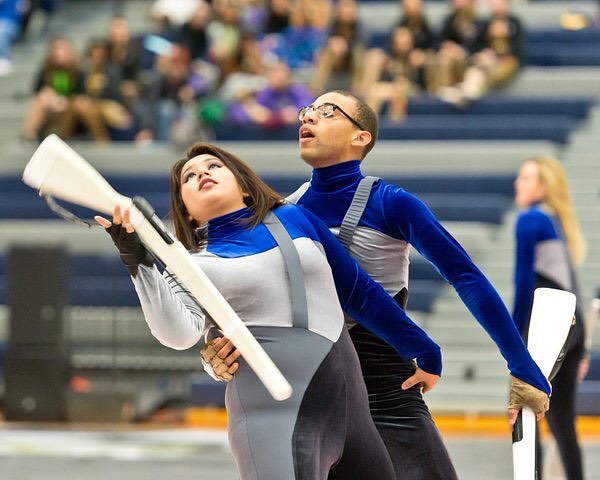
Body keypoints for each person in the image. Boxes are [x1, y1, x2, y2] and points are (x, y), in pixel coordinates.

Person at [206, 90, 552, 479]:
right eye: (307, 111)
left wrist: (521, 365)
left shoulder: (391, 203)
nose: (309, 118)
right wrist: (219, 352)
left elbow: (466, 276)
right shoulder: (287, 212)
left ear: (361, 137)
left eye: (327, 112)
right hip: (314, 391)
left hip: (387, 388)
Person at [95, 141, 445, 479]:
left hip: (354, 422)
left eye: (214, 166)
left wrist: (423, 348)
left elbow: (360, 292)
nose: (202, 173)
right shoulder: (191, 266)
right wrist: (137, 261)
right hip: (273, 419)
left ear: (245, 187)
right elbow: (179, 334)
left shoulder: (297, 218)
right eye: (189, 176)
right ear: (185, 208)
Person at [513, 156, 587, 480]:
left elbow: (523, 282)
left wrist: (512, 336)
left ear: (542, 187)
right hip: (571, 323)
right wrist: (581, 346)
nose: (518, 182)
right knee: (561, 421)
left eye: (526, 178)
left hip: (547, 323)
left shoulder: (530, 220)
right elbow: (573, 286)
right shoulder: (555, 220)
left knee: (526, 412)